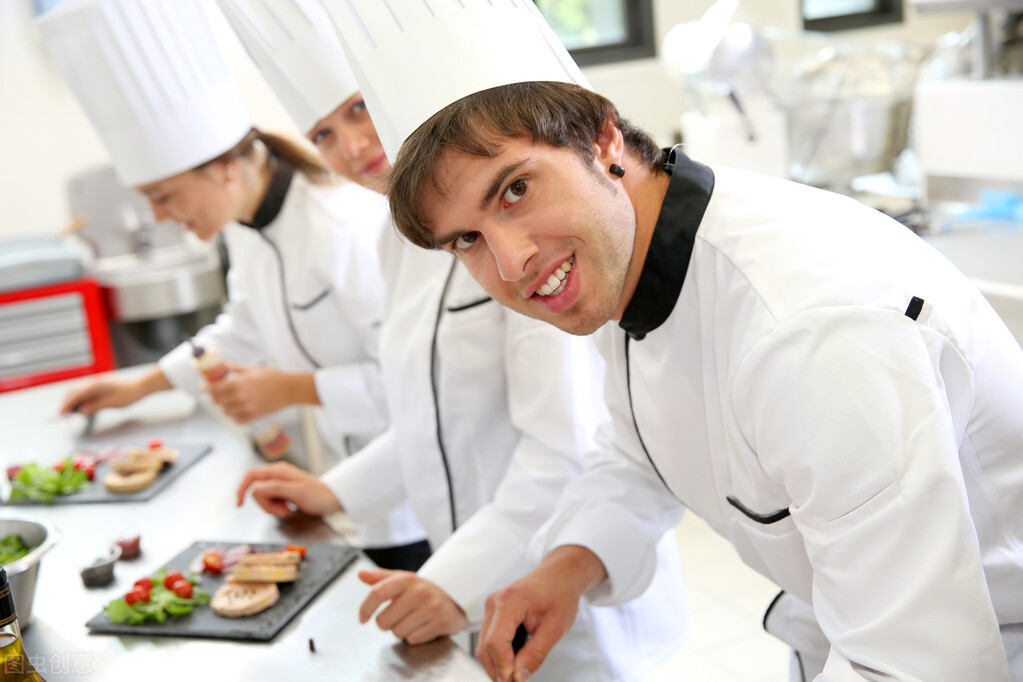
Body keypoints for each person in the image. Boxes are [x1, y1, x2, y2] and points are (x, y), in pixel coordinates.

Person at [327, 2, 1023, 681]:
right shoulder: (622, 261)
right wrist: (565, 568)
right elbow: (637, 452)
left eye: (514, 189)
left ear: (601, 142)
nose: (510, 265)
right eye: (467, 239)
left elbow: (923, 662)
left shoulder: (807, 329)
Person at [219, 0, 690, 679]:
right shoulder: (393, 239)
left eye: (358, 108)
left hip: (574, 591)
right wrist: (339, 492)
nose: (351, 145)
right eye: (322, 133)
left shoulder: (541, 251)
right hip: (477, 578)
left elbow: (563, 449)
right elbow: (423, 416)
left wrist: (453, 581)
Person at [38, 0, 428, 571]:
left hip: (409, 486)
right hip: (346, 478)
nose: (163, 218)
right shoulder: (247, 227)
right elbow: (241, 328)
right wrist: (138, 387)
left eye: (164, 197)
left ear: (224, 166)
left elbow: (408, 385)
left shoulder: (341, 229)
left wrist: (290, 389)